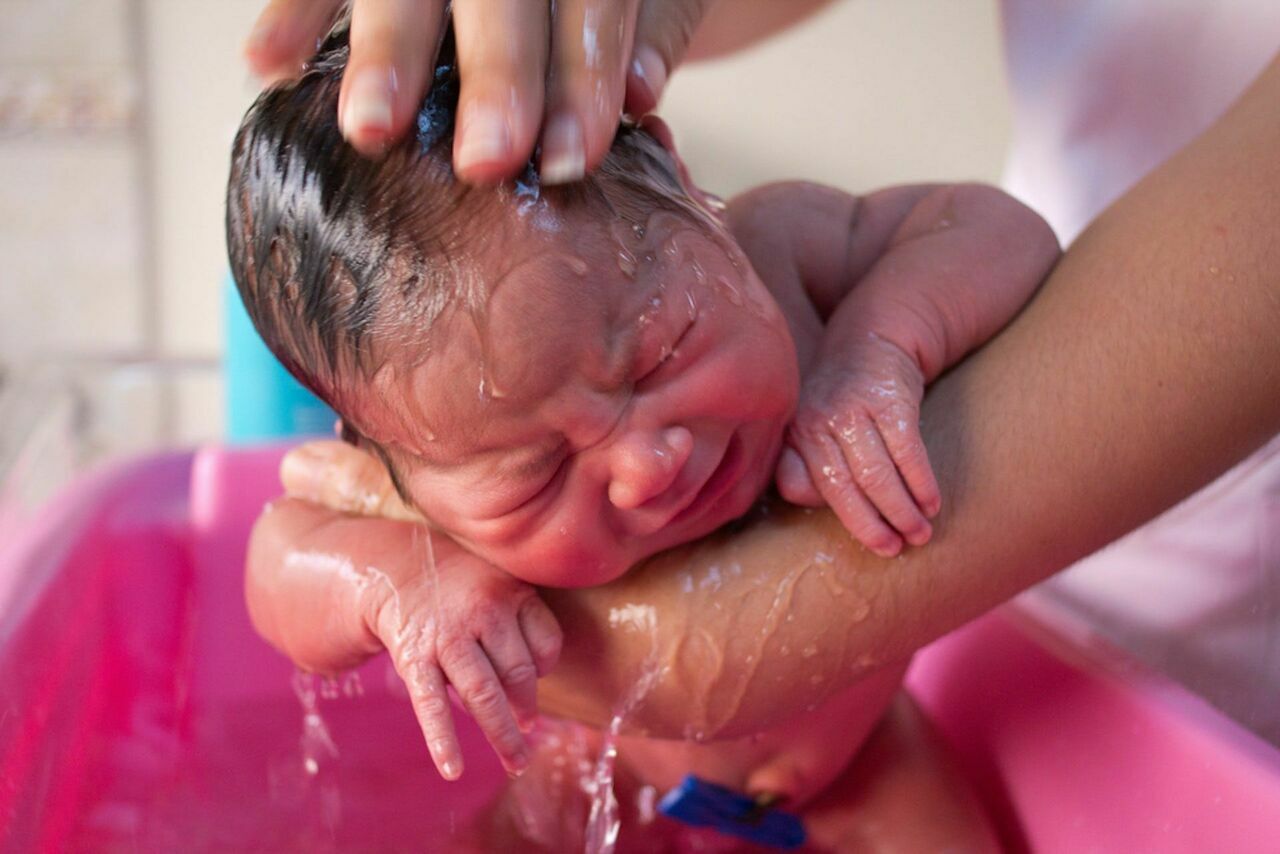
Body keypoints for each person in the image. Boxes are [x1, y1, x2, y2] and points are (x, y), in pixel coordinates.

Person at [243, 0, 1280, 841]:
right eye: (533, 468)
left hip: (860, 765)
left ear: (685, 187)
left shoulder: (782, 254)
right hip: (594, 776)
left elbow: (989, 226)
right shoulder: (436, 482)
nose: (647, 459)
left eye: (661, 348)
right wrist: (396, 588)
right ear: (390, 461)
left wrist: (881, 343)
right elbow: (277, 558)